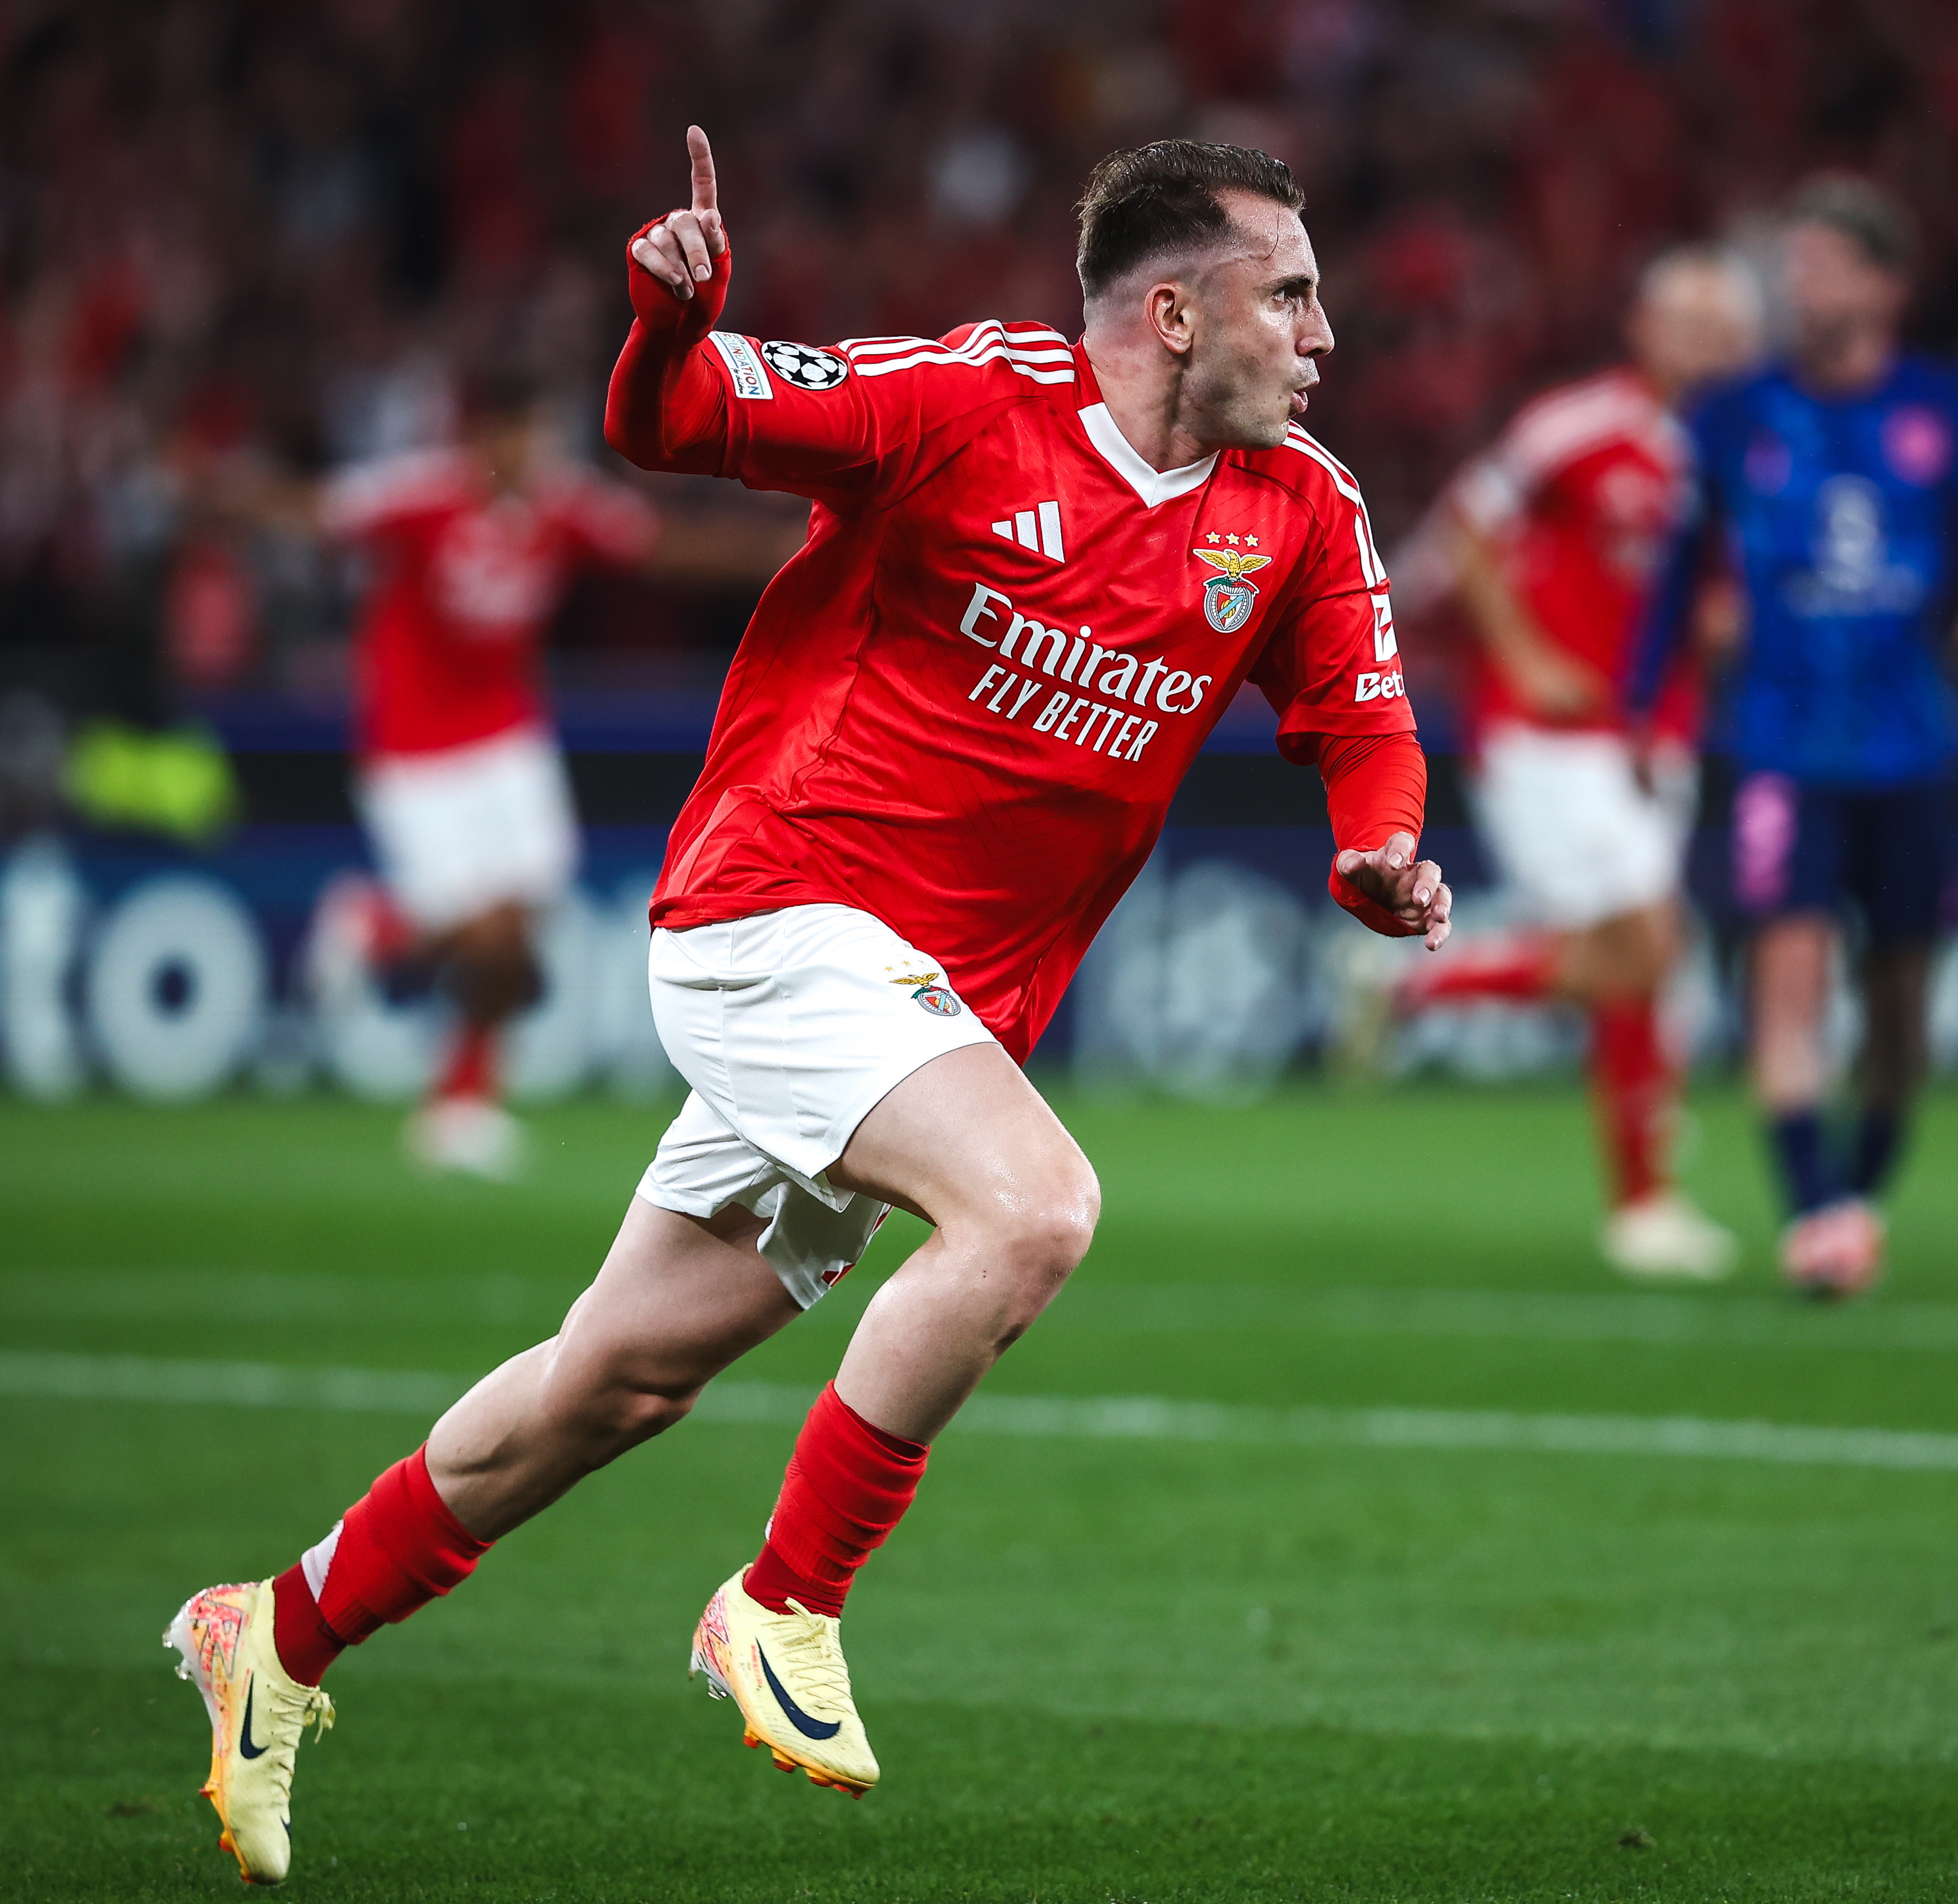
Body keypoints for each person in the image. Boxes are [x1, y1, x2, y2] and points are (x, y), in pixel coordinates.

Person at [164, 128, 1451, 1886]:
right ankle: (781, 1601)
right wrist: (667, 323)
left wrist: (1378, 848)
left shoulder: (1297, 506)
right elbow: (678, 423)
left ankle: (280, 1633)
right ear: (1169, 308)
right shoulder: (958, 403)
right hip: (781, 916)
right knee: (1034, 1208)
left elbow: (1360, 717)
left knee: (611, 1383)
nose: (1322, 330)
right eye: (1287, 292)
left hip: (928, 1003)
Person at [1635, 175, 1958, 1298]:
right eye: (1792, 267)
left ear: (1883, 284)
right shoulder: (1729, 413)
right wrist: (1639, 702)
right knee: (1788, 967)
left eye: (1819, 266)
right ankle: (1814, 1212)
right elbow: (1675, 574)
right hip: (1780, 742)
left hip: (1911, 741)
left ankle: (1855, 1190)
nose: (1798, 286)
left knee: (1901, 1001)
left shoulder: (1952, 407)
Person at [1386, 247, 1762, 1280]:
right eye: (1684, 317)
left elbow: (1715, 592)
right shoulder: (1577, 426)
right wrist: (1522, 653)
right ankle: (1638, 1201)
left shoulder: (1740, 449)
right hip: (1545, 729)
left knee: (1647, 975)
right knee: (1650, 946)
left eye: (1721, 323)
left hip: (1654, 735)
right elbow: (1462, 527)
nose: (1706, 340)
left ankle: (1640, 1201)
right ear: (1642, 329)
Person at [302, 373, 659, 1179]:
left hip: (507, 735)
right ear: (480, 437)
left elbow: (656, 543)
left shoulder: (563, 503)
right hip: (412, 740)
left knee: (524, 918)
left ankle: (457, 1097)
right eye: (516, 434)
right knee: (488, 929)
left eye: (539, 435)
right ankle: (380, 929)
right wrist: (216, 491)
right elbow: (315, 508)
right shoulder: (421, 494)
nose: (529, 451)